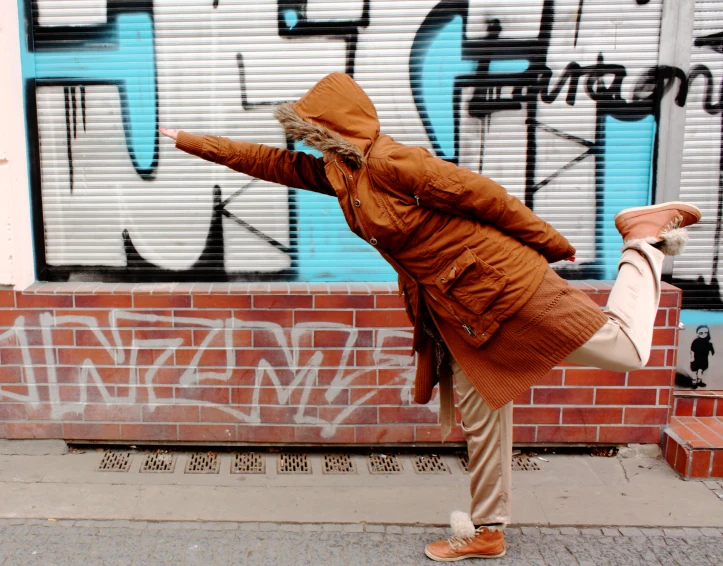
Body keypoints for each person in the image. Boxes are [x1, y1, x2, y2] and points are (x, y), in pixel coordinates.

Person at [160, 72, 701, 562]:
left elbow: (488, 199)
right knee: (484, 411)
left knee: (625, 351)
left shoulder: (396, 163)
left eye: (314, 130)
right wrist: (190, 142)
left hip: (506, 285)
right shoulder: (342, 173)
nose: (307, 141)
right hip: (459, 309)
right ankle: (487, 529)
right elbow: (268, 163)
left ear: (339, 127)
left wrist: (553, 245)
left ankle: (643, 239)